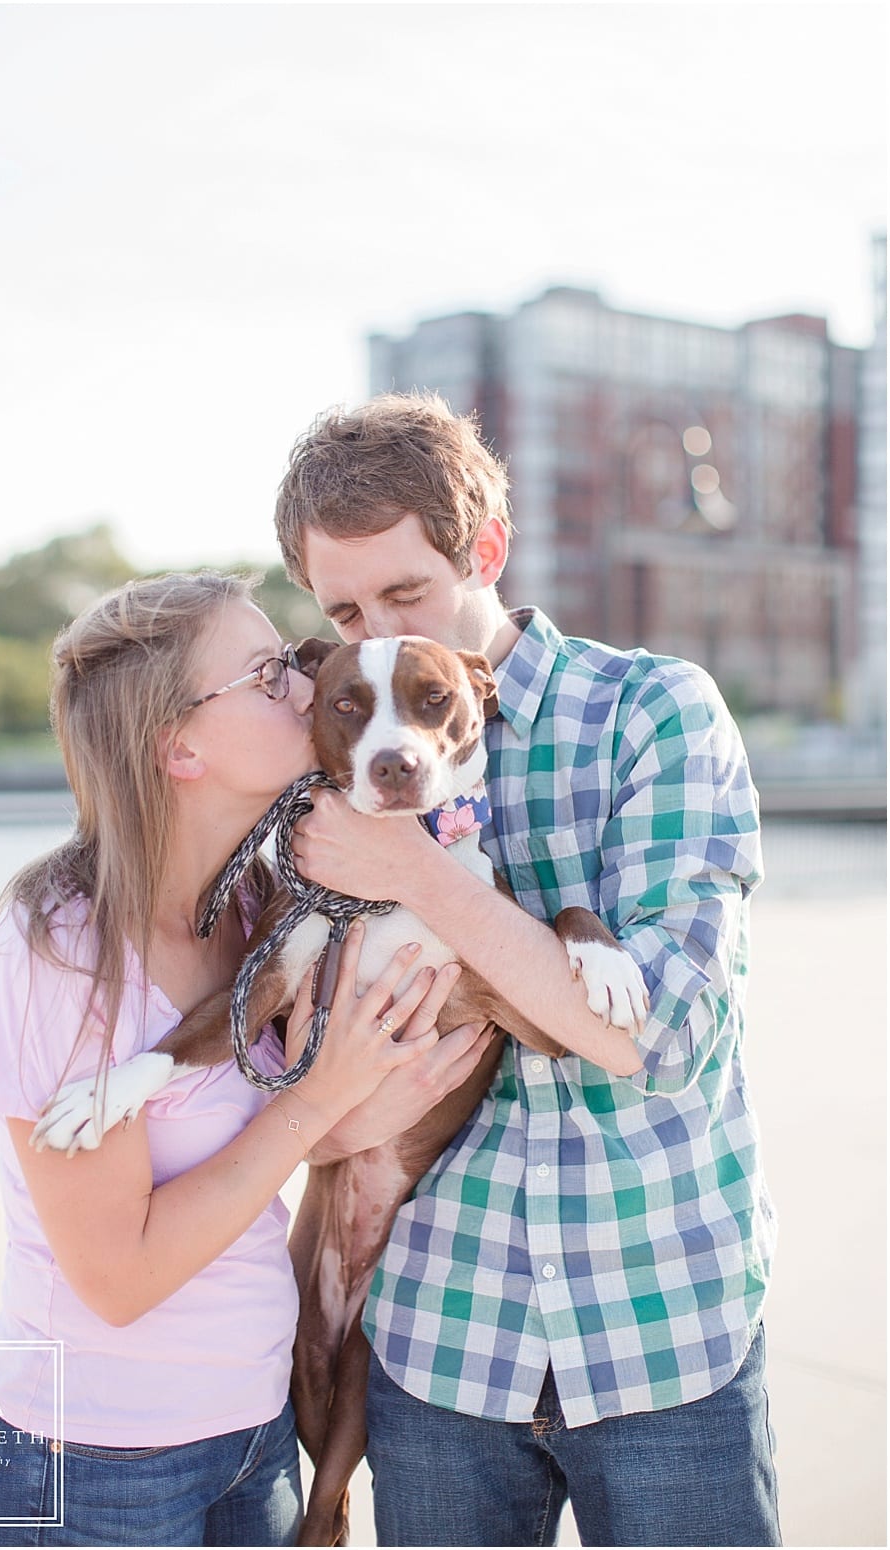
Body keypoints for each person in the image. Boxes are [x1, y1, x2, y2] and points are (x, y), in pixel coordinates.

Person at [276, 393, 777, 1546]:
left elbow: (656, 1037)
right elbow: (277, 1040)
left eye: (407, 593)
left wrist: (411, 866)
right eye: (343, 606)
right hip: (439, 1343)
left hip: (663, 1335)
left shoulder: (656, 711)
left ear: (484, 549)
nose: (374, 624)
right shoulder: (337, 741)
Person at [0, 572, 493, 1547]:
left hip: (252, 1433)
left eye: (288, 662)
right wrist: (317, 1101)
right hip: (94, 1459)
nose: (301, 684)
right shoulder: (57, 953)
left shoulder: (258, 908)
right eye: (264, 674)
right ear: (178, 744)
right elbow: (117, 1279)